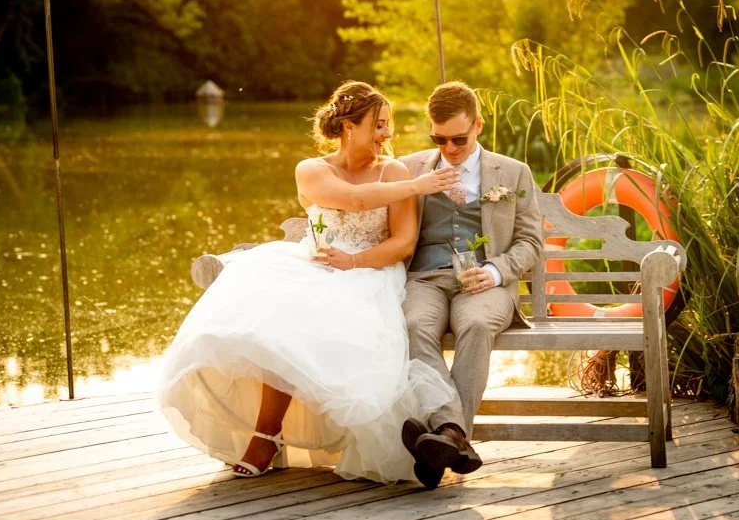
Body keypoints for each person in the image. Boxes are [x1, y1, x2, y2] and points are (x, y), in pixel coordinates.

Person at [156, 81, 461, 484]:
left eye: (389, 125)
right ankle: (267, 432)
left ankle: (276, 436)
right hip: (314, 262)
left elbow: (402, 243)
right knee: (273, 311)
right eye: (379, 125)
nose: (388, 134)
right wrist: (418, 186)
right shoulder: (312, 169)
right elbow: (351, 201)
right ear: (350, 127)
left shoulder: (394, 170)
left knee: (320, 312)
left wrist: (354, 261)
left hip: (371, 270)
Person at [398, 81, 542, 489]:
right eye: (438, 139)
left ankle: (442, 440)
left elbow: (531, 242)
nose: (450, 148)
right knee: (411, 327)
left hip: (485, 283)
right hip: (424, 278)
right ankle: (452, 438)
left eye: (459, 139)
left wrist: (496, 271)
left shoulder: (513, 172)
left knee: (477, 326)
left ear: (478, 125)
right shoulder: (409, 168)